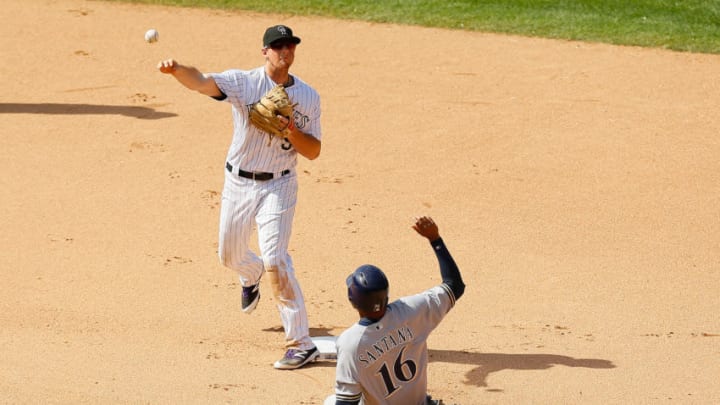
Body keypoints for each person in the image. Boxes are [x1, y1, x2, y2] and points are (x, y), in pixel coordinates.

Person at [157, 25, 322, 370]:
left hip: (280, 185)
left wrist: (290, 128)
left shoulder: (308, 97)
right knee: (228, 255)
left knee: (276, 257)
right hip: (239, 183)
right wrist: (176, 71)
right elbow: (201, 81)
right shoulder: (244, 83)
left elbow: (314, 151)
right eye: (277, 46)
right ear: (265, 51)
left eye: (289, 45)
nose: (284, 51)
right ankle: (250, 275)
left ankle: (300, 342)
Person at [329, 216, 466, 404]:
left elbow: (346, 402)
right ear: (386, 296)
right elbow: (455, 285)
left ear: (352, 301)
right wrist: (436, 240)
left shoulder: (350, 343)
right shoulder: (412, 310)